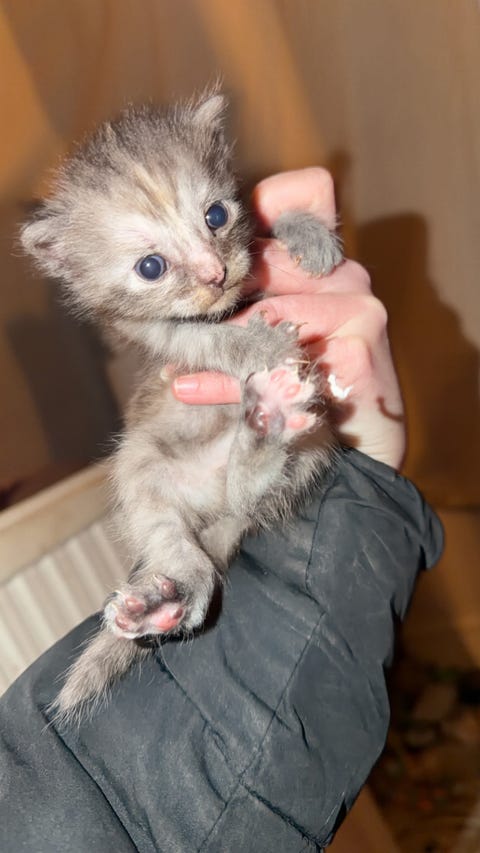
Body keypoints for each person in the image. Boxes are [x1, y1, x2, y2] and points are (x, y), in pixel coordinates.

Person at [0, 169, 442, 853]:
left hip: (269, 452)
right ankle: (184, 562)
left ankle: (248, 464)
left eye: (212, 216)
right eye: (153, 265)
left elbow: (272, 260)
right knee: (139, 464)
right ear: (70, 266)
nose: (212, 268)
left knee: (259, 449)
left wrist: (293, 234)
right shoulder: (145, 316)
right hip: (206, 451)